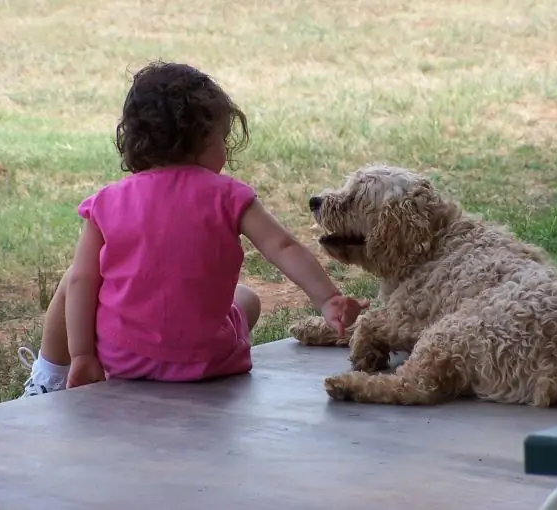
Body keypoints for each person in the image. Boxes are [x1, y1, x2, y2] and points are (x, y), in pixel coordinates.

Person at [18, 60, 369, 397]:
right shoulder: (230, 196)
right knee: (247, 299)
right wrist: (327, 299)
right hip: (208, 362)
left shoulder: (107, 202)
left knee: (80, 280)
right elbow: (283, 246)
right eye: (223, 140)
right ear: (204, 139)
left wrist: (82, 356)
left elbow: (81, 281)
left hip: (122, 360)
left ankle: (48, 378)